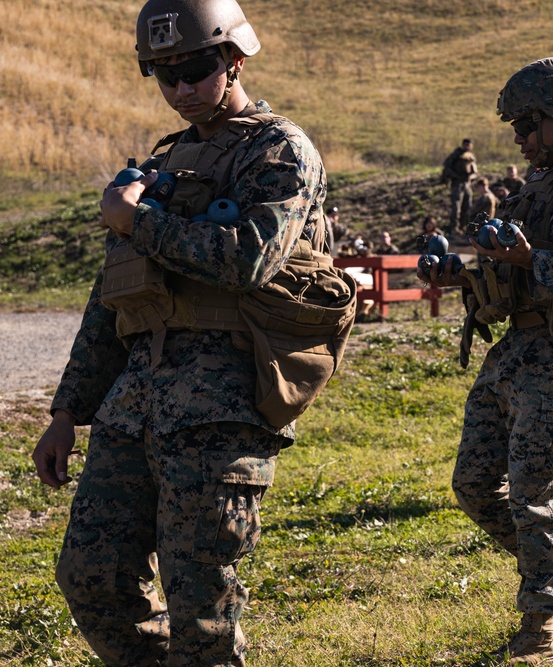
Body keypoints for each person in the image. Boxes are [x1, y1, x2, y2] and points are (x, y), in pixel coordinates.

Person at [30, 0, 329, 664]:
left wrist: (137, 222)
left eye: (195, 69)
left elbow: (251, 258)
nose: (182, 89)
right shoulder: (166, 161)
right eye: (164, 76)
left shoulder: (281, 151)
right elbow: (113, 297)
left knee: (203, 611)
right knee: (91, 576)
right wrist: (66, 411)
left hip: (222, 411)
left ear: (235, 60)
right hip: (132, 409)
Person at [419, 56, 553, 664]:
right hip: (513, 355)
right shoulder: (532, 189)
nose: (518, 137)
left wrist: (530, 261)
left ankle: (541, 626)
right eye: (514, 125)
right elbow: (505, 273)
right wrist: (459, 274)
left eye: (527, 124)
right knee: (473, 485)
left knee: (533, 493)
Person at [441, 137, 478, 235]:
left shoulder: (471, 156)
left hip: (467, 184)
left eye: (469, 144)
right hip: (457, 183)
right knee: (456, 207)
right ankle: (454, 228)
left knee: (467, 206)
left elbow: (475, 172)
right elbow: (446, 166)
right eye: (466, 144)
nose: (467, 146)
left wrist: (471, 177)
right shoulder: (456, 155)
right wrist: (456, 176)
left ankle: (464, 226)